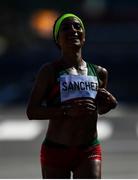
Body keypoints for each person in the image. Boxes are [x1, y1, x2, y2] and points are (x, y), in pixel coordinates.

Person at [26, 13, 117, 179]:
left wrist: (109, 104)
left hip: (88, 150)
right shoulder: (49, 71)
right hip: (56, 150)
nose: (73, 31)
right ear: (57, 40)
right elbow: (31, 111)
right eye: (65, 28)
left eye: (77, 26)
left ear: (84, 37)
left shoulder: (99, 73)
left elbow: (99, 110)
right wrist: (66, 111)